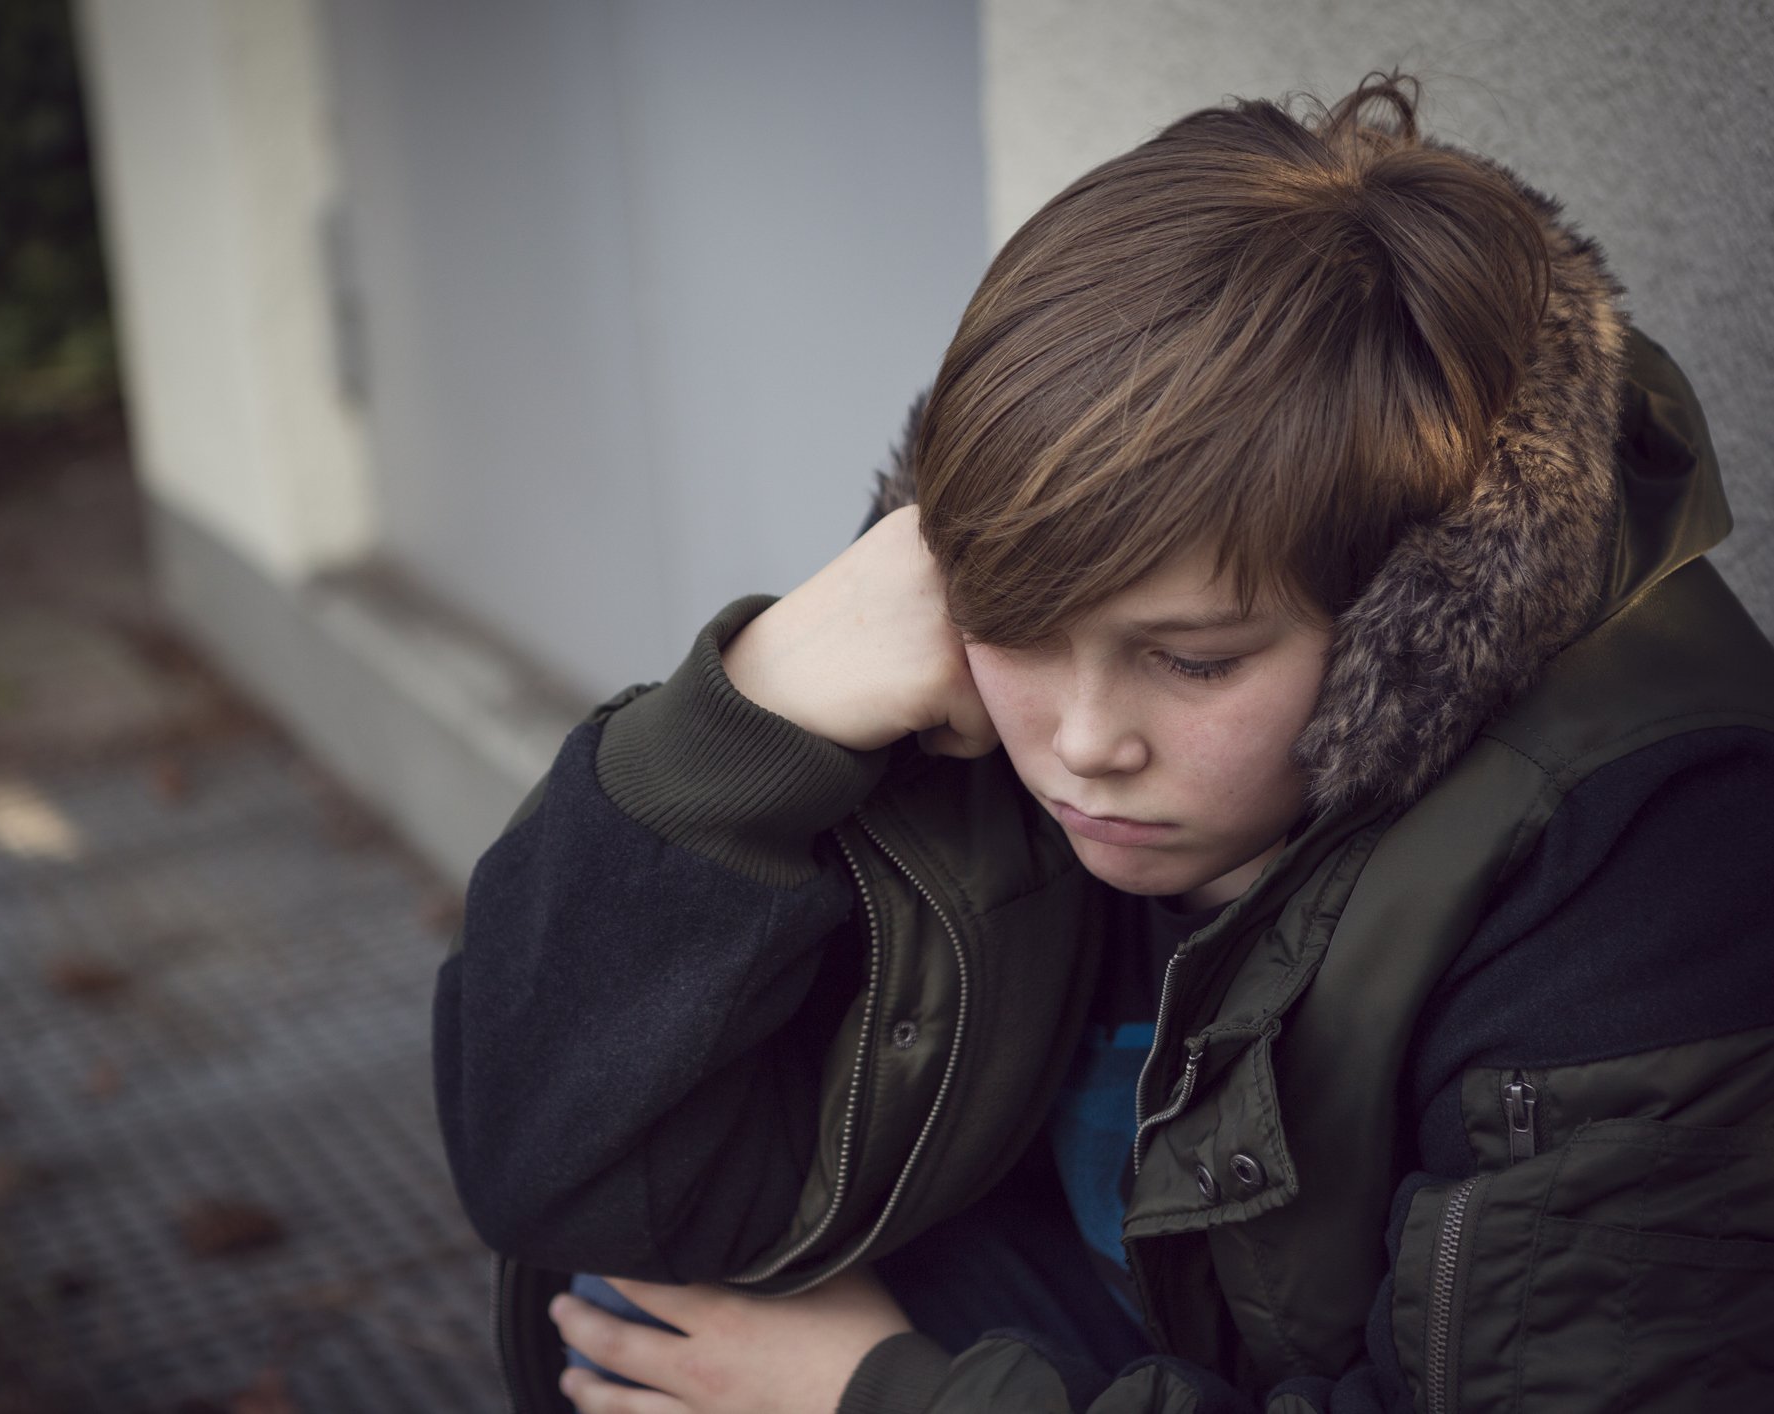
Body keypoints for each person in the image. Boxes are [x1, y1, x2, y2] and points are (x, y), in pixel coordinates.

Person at [433, 72, 1774, 1413]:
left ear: (1403, 625)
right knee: (630, 1313)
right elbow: (553, 1168)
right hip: (1108, 1336)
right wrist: (752, 712)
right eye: (1011, 627)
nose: (1080, 744)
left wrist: (883, 1398)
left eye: (1192, 659)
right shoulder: (944, 700)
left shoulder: (1647, 855)